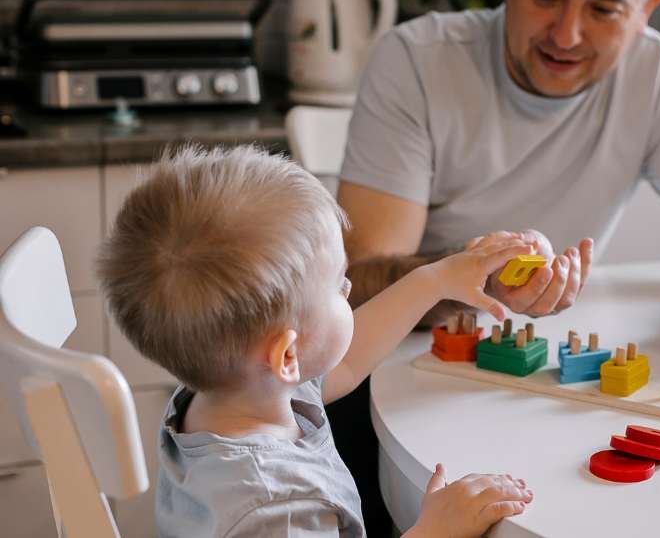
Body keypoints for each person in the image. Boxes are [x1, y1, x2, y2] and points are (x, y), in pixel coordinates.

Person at [331, 0, 660, 527]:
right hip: (395, 394)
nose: (568, 35)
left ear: (646, 10)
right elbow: (357, 285)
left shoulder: (654, 71)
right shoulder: (417, 58)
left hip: (534, 408)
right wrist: (471, 275)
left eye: (602, 9)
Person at [97, 145, 535, 537]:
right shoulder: (280, 508)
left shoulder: (223, 394)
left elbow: (342, 364)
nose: (348, 288)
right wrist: (437, 530)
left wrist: (435, 281)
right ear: (287, 355)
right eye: (337, 285)